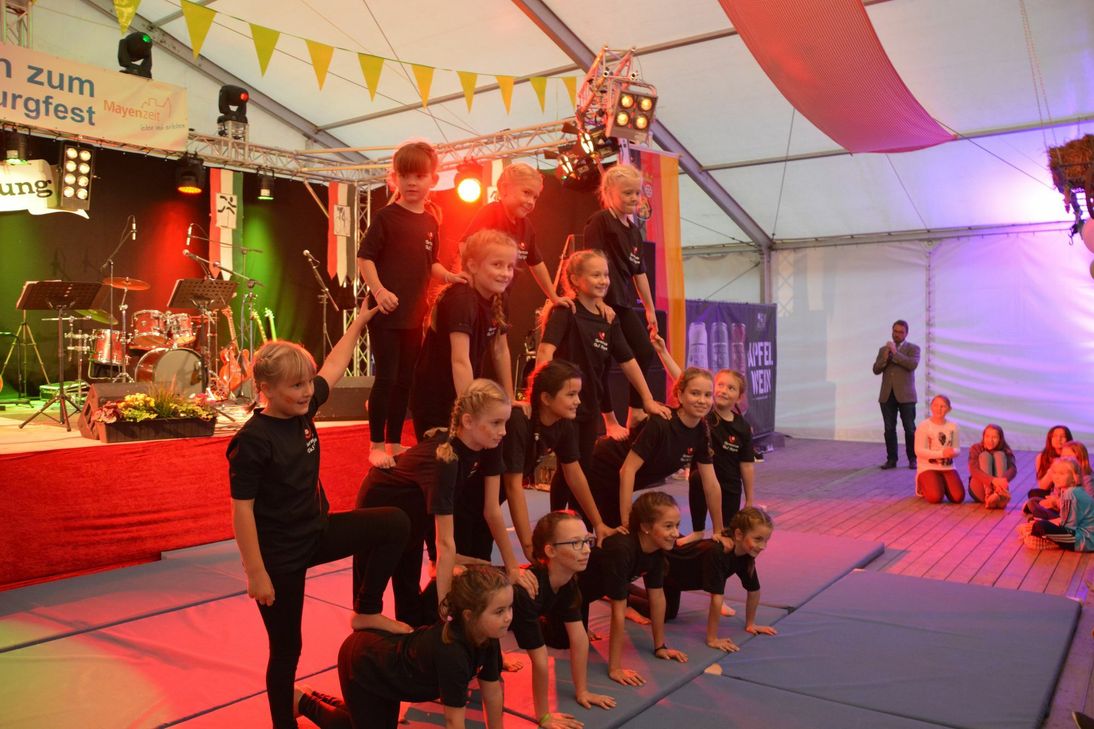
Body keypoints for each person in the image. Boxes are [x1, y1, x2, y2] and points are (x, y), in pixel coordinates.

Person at [227, 300, 412, 729]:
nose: (307, 392)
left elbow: (334, 365)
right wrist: (256, 573)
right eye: (296, 386)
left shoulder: (304, 410)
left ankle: (367, 609)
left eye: (308, 383)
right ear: (265, 389)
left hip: (318, 532)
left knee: (394, 523)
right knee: (287, 650)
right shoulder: (253, 441)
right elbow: (241, 511)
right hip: (280, 557)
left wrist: (359, 321)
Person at [356, 379, 525, 627]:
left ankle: (412, 632)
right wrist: (445, 613)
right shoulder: (446, 460)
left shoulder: (485, 444)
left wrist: (513, 568)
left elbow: (488, 512)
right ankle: (366, 614)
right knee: (373, 592)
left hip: (412, 514)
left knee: (409, 597)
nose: (504, 431)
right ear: (468, 421)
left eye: (505, 423)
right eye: (496, 423)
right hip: (381, 509)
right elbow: (444, 542)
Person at [356, 141, 466, 469]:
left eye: (419, 176)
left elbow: (431, 263)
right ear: (395, 179)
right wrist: (379, 291)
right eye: (405, 176)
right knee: (386, 378)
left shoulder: (430, 221)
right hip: (386, 313)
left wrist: (450, 275)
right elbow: (365, 258)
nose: (412, 182)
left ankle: (394, 441)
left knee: (406, 380)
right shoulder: (386, 217)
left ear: (433, 179)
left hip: (414, 314)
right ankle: (376, 445)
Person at [536, 249, 670, 515]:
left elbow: (628, 361)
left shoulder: (608, 318)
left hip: (589, 405)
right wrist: (541, 394)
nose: (603, 280)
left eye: (606, 275)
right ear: (575, 279)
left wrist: (647, 399)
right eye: (595, 275)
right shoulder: (566, 312)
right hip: (564, 406)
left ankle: (574, 522)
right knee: (569, 465)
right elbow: (545, 352)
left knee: (583, 467)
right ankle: (556, 522)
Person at [295, 565, 511, 729]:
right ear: (469, 616)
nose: (508, 617)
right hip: (365, 662)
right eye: (499, 611)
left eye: (510, 608)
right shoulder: (453, 654)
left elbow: (492, 694)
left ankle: (314, 695)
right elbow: (454, 722)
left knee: (367, 719)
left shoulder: (488, 638)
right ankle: (302, 701)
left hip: (387, 670)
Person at [562, 492, 686, 687]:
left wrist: (660, 647)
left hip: (586, 595)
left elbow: (657, 597)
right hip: (564, 595)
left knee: (580, 635)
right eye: (668, 526)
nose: (676, 533)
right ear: (646, 527)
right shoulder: (621, 550)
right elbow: (618, 612)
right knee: (559, 640)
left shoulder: (655, 548)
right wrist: (615, 668)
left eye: (677, 525)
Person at [512, 512, 617, 729]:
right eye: (576, 543)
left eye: (587, 541)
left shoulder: (568, 582)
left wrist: (582, 691)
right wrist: (544, 716)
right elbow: (540, 660)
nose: (587, 550)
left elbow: (579, 639)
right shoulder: (528, 592)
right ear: (550, 551)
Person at [409, 229, 517, 439]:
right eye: (497, 265)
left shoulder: (500, 298)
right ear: (473, 266)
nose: (505, 273)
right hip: (436, 399)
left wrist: (510, 400)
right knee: (448, 454)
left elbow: (500, 350)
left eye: (510, 266)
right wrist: (470, 411)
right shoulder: (462, 299)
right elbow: (460, 360)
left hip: (463, 392)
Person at [585, 368, 723, 532]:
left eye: (708, 395)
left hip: (626, 480)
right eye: (695, 393)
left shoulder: (701, 431)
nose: (702, 400)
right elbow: (627, 470)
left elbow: (711, 484)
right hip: (600, 469)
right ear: (680, 395)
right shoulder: (661, 423)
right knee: (602, 533)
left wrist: (718, 530)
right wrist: (626, 521)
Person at [502, 359, 617, 551]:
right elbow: (513, 487)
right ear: (546, 398)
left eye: (578, 394)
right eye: (571, 394)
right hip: (468, 500)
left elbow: (575, 474)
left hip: (491, 502)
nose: (578, 401)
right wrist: (528, 546)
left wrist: (598, 523)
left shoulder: (562, 423)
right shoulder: (519, 421)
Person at [630, 507, 778, 651]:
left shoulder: (746, 556)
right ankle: (624, 600)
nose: (763, 546)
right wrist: (712, 638)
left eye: (766, 540)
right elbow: (716, 599)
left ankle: (627, 590)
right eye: (758, 539)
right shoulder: (718, 553)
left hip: (677, 577)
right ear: (738, 534)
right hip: (665, 565)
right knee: (663, 614)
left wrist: (751, 623)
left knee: (669, 612)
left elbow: (754, 591)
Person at [582, 164, 659, 428]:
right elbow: (589, 263)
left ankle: (635, 411)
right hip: (600, 303)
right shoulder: (600, 221)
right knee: (602, 361)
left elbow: (640, 272)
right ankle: (610, 420)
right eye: (627, 193)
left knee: (644, 351)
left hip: (622, 304)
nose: (634, 198)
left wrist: (649, 308)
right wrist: (597, 303)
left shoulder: (634, 231)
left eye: (637, 193)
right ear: (608, 192)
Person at [460, 162, 567, 308]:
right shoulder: (491, 213)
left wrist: (554, 297)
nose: (531, 202)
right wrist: (470, 277)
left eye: (535, 197)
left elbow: (536, 263)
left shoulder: (526, 226)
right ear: (505, 189)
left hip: (500, 302)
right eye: (526, 193)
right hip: (475, 299)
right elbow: (465, 244)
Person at [872, 319, 920, 470]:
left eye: (900, 332)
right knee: (889, 428)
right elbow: (876, 369)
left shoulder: (913, 348)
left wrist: (895, 352)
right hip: (887, 395)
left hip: (906, 395)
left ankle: (913, 459)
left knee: (910, 428)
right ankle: (891, 459)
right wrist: (885, 357)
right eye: (895, 331)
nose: (897, 334)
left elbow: (911, 365)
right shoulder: (883, 350)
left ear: (906, 333)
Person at [1029, 457, 1094, 551]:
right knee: (1037, 523)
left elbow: (1069, 526)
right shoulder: (1073, 490)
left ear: (1074, 477)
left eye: (1062, 474)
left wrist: (1047, 524)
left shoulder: (1070, 494)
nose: (1056, 477)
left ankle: (1049, 541)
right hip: (1084, 535)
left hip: (1084, 540)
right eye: (1055, 473)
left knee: (1040, 526)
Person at [914, 394, 963, 504]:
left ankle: (940, 482)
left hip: (947, 467)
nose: (939, 409)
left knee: (958, 497)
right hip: (928, 466)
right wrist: (942, 453)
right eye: (936, 405)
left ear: (949, 409)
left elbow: (957, 448)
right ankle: (922, 483)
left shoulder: (953, 426)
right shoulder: (924, 426)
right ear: (931, 407)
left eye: (943, 406)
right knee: (935, 498)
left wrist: (953, 452)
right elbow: (919, 451)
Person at [967, 424, 1015, 509]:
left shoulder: (1005, 450)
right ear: (983, 437)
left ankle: (999, 495)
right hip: (980, 487)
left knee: (1000, 455)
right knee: (985, 456)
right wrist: (992, 480)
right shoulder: (976, 448)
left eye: (994, 437)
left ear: (1000, 439)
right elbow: (973, 469)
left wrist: (1002, 480)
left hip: (998, 488)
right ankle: (989, 496)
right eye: (987, 436)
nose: (990, 440)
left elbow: (1013, 469)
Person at [1032, 425, 1074, 494]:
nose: (1058, 439)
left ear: (1068, 439)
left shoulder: (1073, 455)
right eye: (1055, 436)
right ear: (1050, 439)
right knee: (1033, 493)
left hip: (1069, 492)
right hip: (1050, 491)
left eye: (1063, 436)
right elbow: (1042, 486)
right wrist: (1054, 467)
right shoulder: (1042, 457)